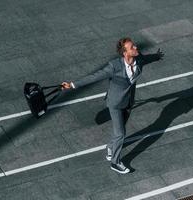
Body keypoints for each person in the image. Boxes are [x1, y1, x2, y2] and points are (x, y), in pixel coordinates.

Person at [62, 37, 164, 174]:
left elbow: (147, 59)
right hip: (115, 103)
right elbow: (94, 77)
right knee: (121, 133)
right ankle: (115, 162)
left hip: (128, 101)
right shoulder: (114, 66)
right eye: (132, 47)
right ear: (125, 53)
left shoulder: (138, 60)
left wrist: (157, 56)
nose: (136, 48)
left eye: (134, 46)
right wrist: (72, 85)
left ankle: (110, 147)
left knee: (119, 131)